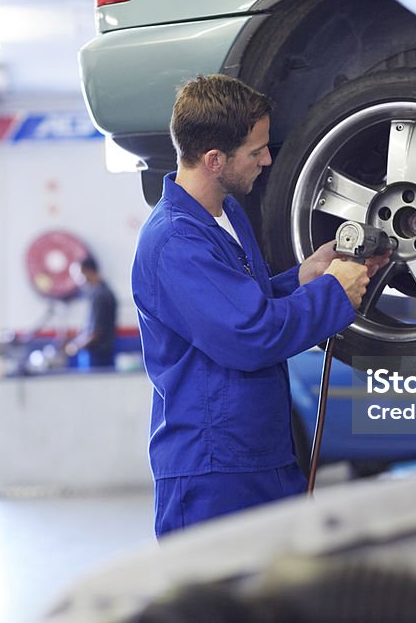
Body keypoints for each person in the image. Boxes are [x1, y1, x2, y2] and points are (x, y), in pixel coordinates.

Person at [132, 74, 389, 537]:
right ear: (214, 160)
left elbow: (244, 304)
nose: (267, 159)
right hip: (213, 471)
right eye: (256, 151)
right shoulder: (174, 241)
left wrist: (304, 277)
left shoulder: (226, 214)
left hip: (262, 451)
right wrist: (333, 292)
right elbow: (250, 336)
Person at [64, 257, 119, 369]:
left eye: (77, 274)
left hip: (98, 357)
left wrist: (73, 347)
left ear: (88, 271)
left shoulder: (100, 296)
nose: (76, 280)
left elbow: (95, 333)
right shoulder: (100, 293)